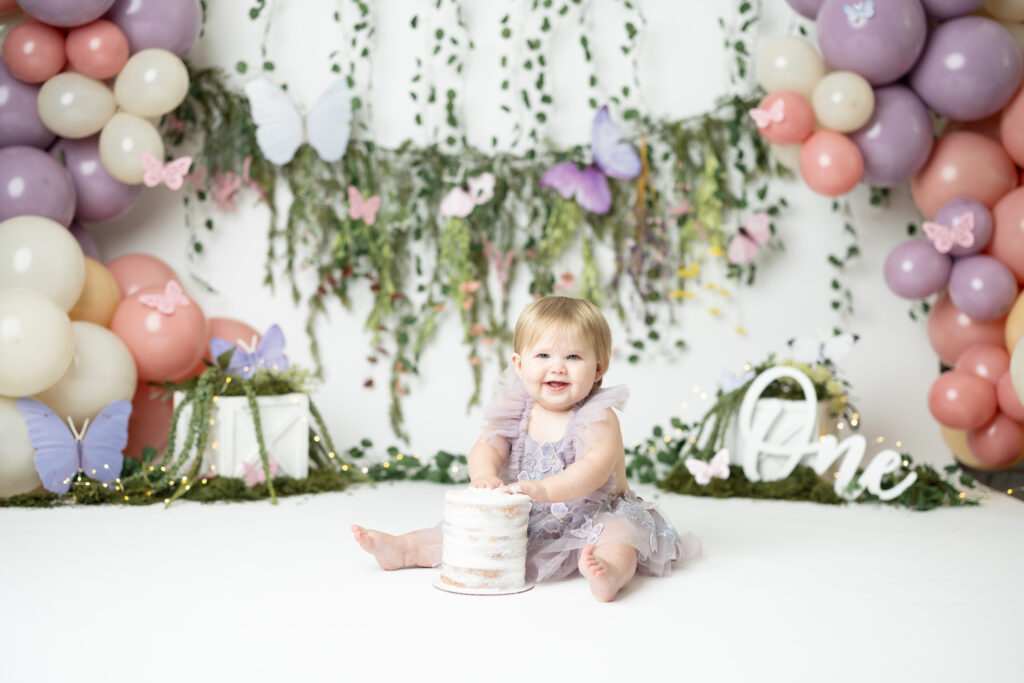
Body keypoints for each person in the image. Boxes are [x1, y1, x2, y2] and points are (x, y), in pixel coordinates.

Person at [352, 296, 699, 601]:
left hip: (592, 515)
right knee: (465, 534)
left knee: (620, 536)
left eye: (574, 356)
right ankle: (403, 549)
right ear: (519, 365)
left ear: (598, 368)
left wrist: (546, 488)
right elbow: (487, 445)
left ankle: (609, 573)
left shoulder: (598, 416)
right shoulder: (516, 409)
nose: (557, 366)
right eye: (544, 354)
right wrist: (484, 474)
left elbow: (594, 467)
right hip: (528, 512)